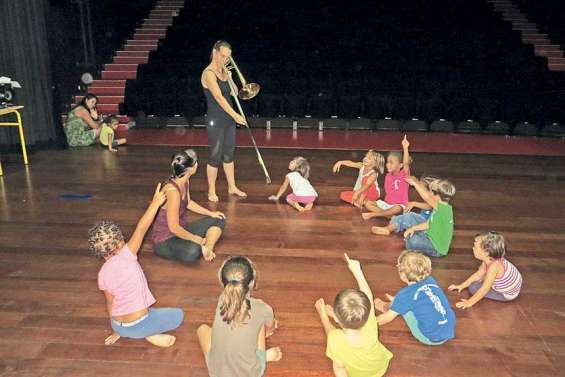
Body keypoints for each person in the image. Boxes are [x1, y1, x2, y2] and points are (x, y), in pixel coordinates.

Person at [89, 183, 184, 348]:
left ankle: (138, 331)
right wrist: (156, 203)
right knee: (178, 315)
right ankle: (149, 334)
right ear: (120, 242)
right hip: (139, 324)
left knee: (140, 313)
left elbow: (110, 304)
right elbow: (141, 228)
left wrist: (117, 330)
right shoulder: (126, 254)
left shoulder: (102, 275)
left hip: (118, 326)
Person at [197, 256, 282, 377]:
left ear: (223, 283)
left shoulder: (222, 299)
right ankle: (265, 358)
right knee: (261, 325)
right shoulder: (262, 308)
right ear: (252, 282)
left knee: (202, 329)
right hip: (251, 373)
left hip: (216, 372)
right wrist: (270, 327)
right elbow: (271, 327)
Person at [315, 253, 393, 377]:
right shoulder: (370, 323)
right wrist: (358, 272)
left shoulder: (335, 338)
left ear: (336, 318)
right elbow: (368, 295)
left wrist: (323, 314)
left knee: (338, 366)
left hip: (357, 374)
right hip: (379, 367)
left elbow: (330, 331)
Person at [150, 149, 226, 264]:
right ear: (190, 169)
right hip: (165, 240)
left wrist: (210, 213)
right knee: (192, 252)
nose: (197, 164)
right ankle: (202, 247)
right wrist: (197, 239)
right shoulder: (172, 191)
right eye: (195, 163)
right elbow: (174, 228)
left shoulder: (185, 181)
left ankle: (208, 248)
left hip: (181, 229)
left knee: (219, 218)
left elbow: (188, 203)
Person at [374, 251, 456, 345]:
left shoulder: (405, 294)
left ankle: (387, 306)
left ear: (403, 274)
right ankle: (396, 303)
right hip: (448, 331)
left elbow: (386, 319)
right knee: (413, 300)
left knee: (403, 303)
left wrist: (367, 325)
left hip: (429, 338)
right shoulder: (430, 280)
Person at [201, 40, 248, 202]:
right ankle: (211, 190)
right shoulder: (208, 74)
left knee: (229, 154)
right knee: (215, 155)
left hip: (228, 119)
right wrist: (236, 116)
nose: (225, 60)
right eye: (222, 56)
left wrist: (230, 78)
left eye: (228, 57)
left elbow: (235, 93)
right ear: (214, 53)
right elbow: (220, 99)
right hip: (215, 119)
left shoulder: (223, 71)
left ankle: (232, 186)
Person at [371, 177, 456, 257]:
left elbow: (427, 198)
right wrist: (414, 228)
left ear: (437, 197)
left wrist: (416, 184)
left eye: (431, 192)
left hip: (436, 249)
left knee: (414, 241)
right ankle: (388, 229)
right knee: (410, 216)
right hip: (429, 234)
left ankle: (412, 243)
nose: (429, 193)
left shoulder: (443, 210)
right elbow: (428, 224)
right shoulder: (440, 208)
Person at [449, 231, 522, 309]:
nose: (472, 248)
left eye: (475, 248)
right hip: (513, 285)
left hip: (507, 294)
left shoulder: (494, 267)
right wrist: (461, 286)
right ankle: (489, 281)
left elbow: (485, 289)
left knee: (473, 287)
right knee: (479, 278)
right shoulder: (489, 260)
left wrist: (469, 302)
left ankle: (492, 285)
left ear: (486, 253)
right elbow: (478, 274)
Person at [362, 135, 411, 219]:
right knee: (368, 203)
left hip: (399, 205)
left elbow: (406, 164)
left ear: (400, 165)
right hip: (387, 204)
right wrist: (385, 205)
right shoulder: (388, 176)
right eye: (387, 162)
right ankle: (389, 215)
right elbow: (388, 192)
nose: (388, 164)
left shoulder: (404, 175)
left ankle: (374, 214)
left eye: (391, 162)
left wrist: (405, 148)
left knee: (397, 208)